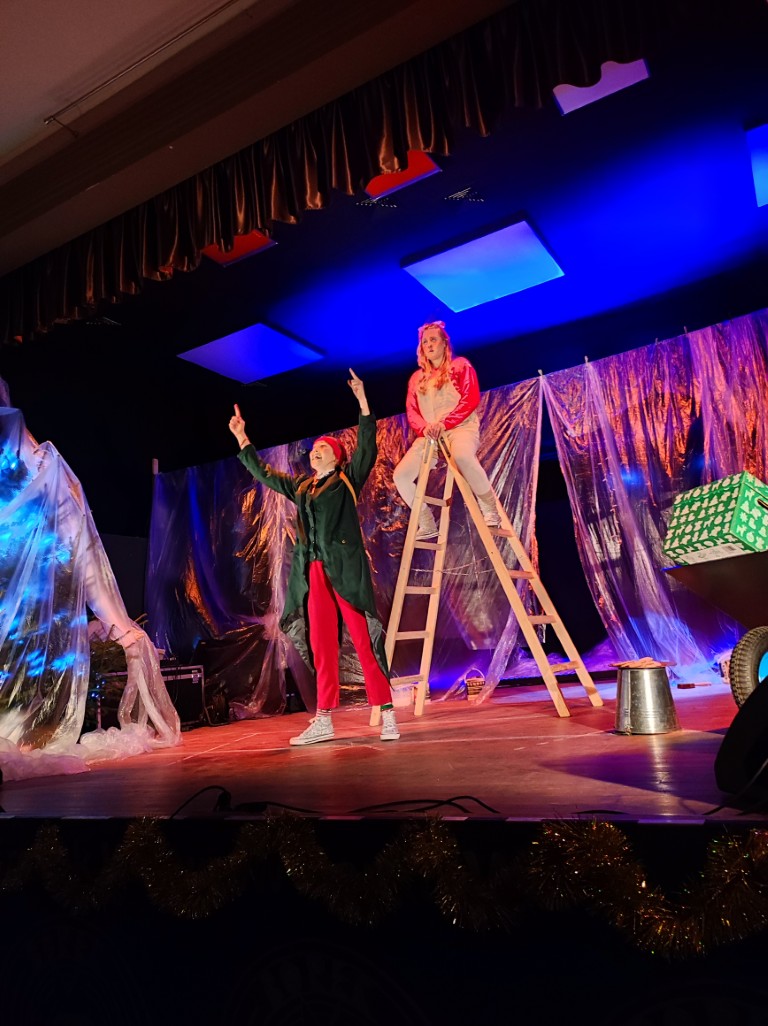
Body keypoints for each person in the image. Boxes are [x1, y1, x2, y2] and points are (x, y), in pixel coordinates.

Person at [228, 369, 400, 746]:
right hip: (313, 573)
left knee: (364, 638)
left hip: (345, 570)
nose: (314, 451)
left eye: (322, 448)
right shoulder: (303, 486)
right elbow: (266, 475)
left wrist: (363, 402)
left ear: (336, 457)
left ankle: (387, 712)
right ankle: (323, 719)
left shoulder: (347, 479)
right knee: (322, 645)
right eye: (314, 448)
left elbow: (367, 448)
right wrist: (243, 439)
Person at [393, 320, 501, 538]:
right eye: (425, 342)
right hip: (431, 436)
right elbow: (412, 411)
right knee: (401, 475)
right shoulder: (417, 379)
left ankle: (490, 508)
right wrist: (425, 428)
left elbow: (470, 399)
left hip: (460, 428)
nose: (429, 345)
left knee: (463, 456)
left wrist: (445, 423)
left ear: (444, 343)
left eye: (433, 340)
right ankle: (426, 522)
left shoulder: (460, 365)